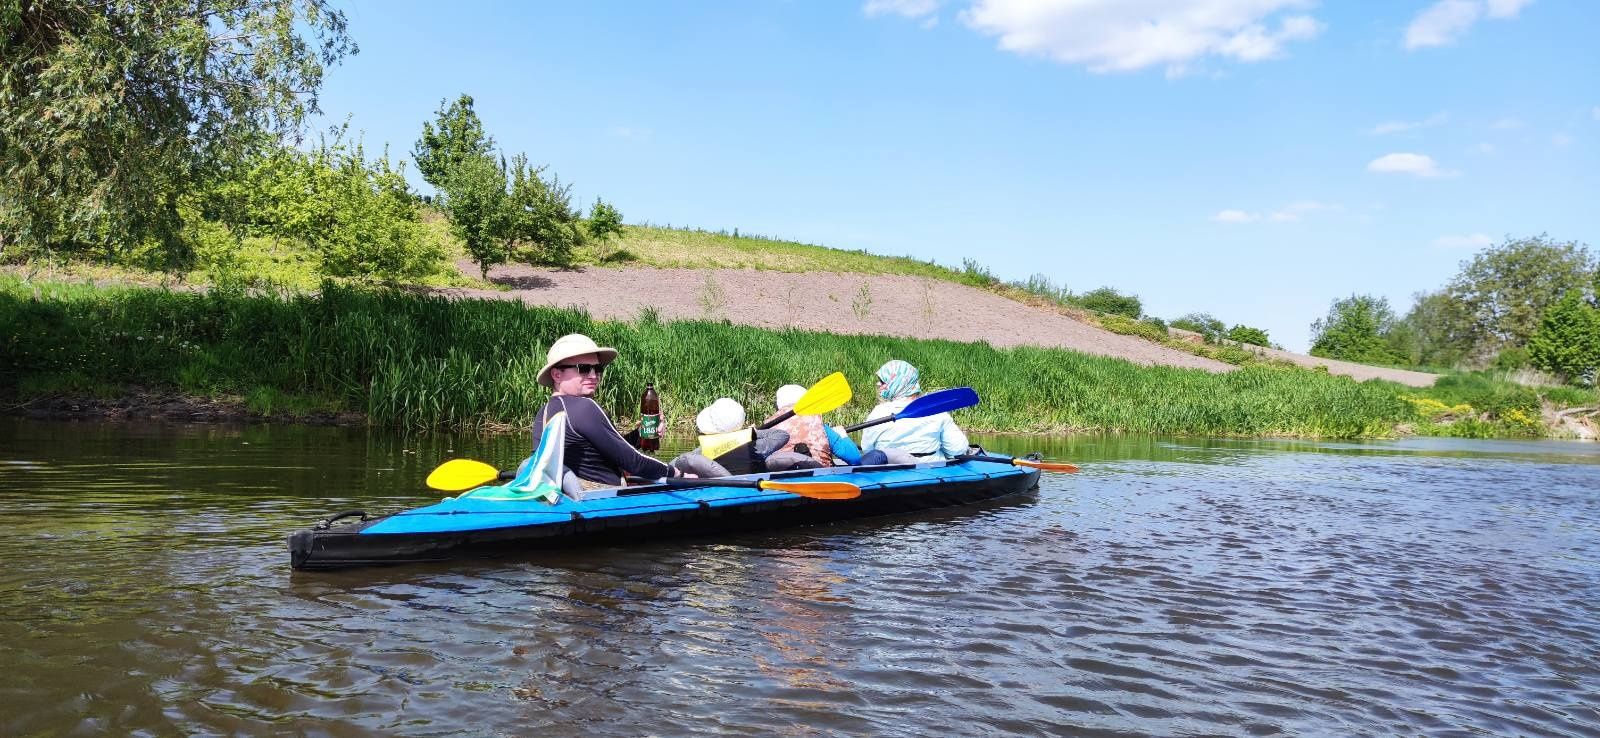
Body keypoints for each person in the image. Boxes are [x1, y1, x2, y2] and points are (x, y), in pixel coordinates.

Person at [529, 333, 691, 489]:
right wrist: (678, 474)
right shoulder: (585, 407)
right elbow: (634, 462)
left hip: (570, 497)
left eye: (598, 368)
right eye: (583, 368)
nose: (594, 375)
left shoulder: (543, 414)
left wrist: (640, 434)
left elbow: (609, 454)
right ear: (557, 375)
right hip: (603, 499)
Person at [858, 359, 969, 465]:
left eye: (882, 381)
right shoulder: (935, 411)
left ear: (897, 383)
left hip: (888, 472)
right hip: (931, 471)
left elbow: (868, 450)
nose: (878, 384)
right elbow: (957, 449)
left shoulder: (878, 412)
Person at [671, 398, 790, 477]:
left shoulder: (703, 452)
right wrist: (751, 433)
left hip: (717, 493)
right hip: (746, 488)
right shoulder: (754, 448)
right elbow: (782, 435)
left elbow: (671, 465)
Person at [763, 384, 829, 471]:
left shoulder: (767, 427)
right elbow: (853, 457)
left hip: (778, 478)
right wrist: (842, 435)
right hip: (822, 476)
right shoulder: (819, 423)